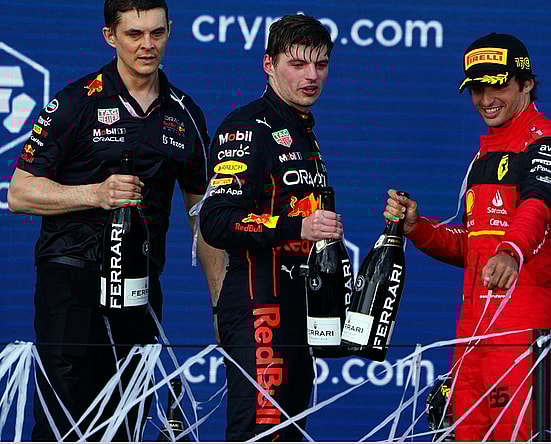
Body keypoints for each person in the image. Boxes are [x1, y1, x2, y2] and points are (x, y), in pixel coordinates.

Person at [7, 0, 225, 440]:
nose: (148, 45)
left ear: (169, 32)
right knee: (61, 419)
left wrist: (222, 304)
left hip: (139, 285)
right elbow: (19, 193)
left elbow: (203, 218)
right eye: (134, 34)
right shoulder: (73, 102)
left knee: (128, 418)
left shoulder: (185, 114)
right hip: (70, 278)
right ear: (111, 36)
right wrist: (96, 193)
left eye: (157, 33)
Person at [384, 33, 551, 440]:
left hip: (523, 330)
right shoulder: (484, 155)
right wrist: (419, 229)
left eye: (498, 85)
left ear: (526, 84)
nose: (485, 98)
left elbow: (538, 208)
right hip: (473, 332)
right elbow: (474, 247)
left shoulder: (549, 144)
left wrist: (510, 251)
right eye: (476, 87)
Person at [198, 14, 342, 442]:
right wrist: (298, 226)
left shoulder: (302, 129)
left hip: (297, 308)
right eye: (298, 64)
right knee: (262, 433)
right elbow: (217, 220)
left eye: (320, 64)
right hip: (261, 303)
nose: (312, 76)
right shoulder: (248, 126)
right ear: (268, 64)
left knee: (290, 433)